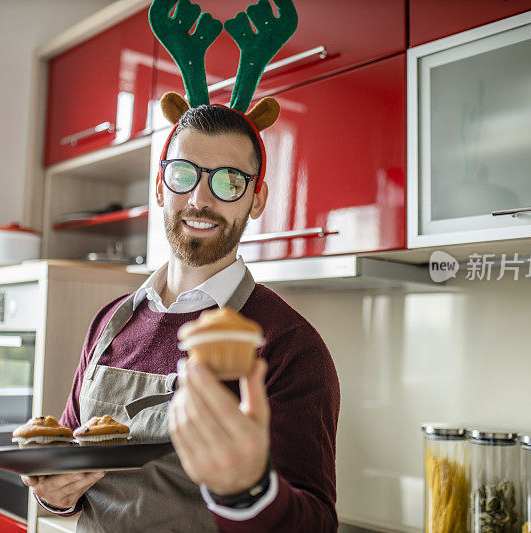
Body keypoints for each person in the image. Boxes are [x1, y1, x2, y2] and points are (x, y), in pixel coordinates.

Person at [21, 103, 341, 532]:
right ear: (160, 186)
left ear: (257, 199)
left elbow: (316, 524)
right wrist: (55, 495)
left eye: (229, 181)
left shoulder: (289, 346)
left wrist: (248, 491)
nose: (199, 200)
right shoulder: (110, 321)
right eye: (184, 174)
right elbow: (71, 459)